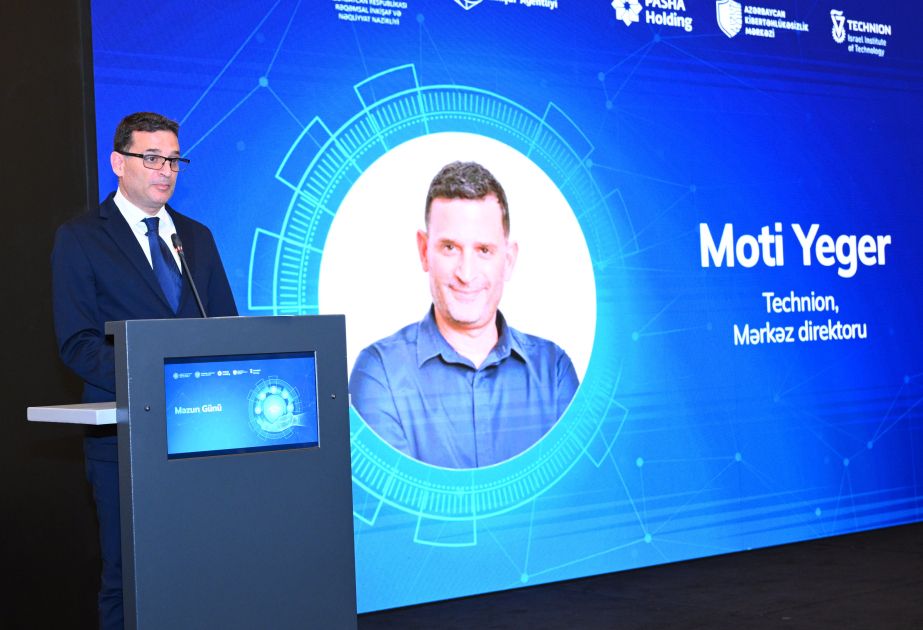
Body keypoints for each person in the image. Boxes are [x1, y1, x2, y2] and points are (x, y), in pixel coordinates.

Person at [51, 112, 238, 629]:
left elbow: (226, 329)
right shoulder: (81, 238)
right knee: (129, 578)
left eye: (174, 160)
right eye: (152, 158)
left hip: (202, 433)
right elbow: (77, 343)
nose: (166, 171)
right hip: (125, 441)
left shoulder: (196, 237)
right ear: (118, 162)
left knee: (201, 571)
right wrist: (154, 383)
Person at [349, 161, 578, 469]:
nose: (466, 274)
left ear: (508, 260)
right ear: (424, 251)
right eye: (450, 247)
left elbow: (575, 488)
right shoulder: (380, 374)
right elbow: (397, 498)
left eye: (483, 250)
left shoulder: (554, 372)